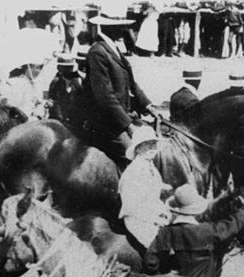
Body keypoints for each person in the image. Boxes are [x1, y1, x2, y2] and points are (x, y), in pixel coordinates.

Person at [84, 4, 158, 168]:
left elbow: (131, 83)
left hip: (122, 118)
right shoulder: (97, 52)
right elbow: (105, 97)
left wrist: (148, 105)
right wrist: (128, 126)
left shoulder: (114, 48)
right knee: (137, 156)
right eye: (121, 25)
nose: (124, 28)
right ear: (110, 27)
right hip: (107, 124)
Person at [145, 183, 244, 277]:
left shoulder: (164, 233)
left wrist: (165, 274)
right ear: (195, 210)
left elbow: (150, 262)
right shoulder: (207, 230)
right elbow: (231, 225)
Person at [117, 126, 172, 255]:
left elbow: (150, 190)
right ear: (138, 148)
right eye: (147, 144)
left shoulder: (149, 165)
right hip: (137, 220)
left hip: (152, 213)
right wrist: (155, 219)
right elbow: (131, 207)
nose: (152, 148)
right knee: (163, 249)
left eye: (153, 144)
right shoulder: (134, 171)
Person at [47, 54, 83, 128]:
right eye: (65, 68)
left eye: (70, 67)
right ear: (59, 68)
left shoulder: (77, 82)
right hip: (59, 121)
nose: (69, 70)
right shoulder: (56, 83)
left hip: (74, 120)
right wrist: (62, 120)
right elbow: (56, 103)